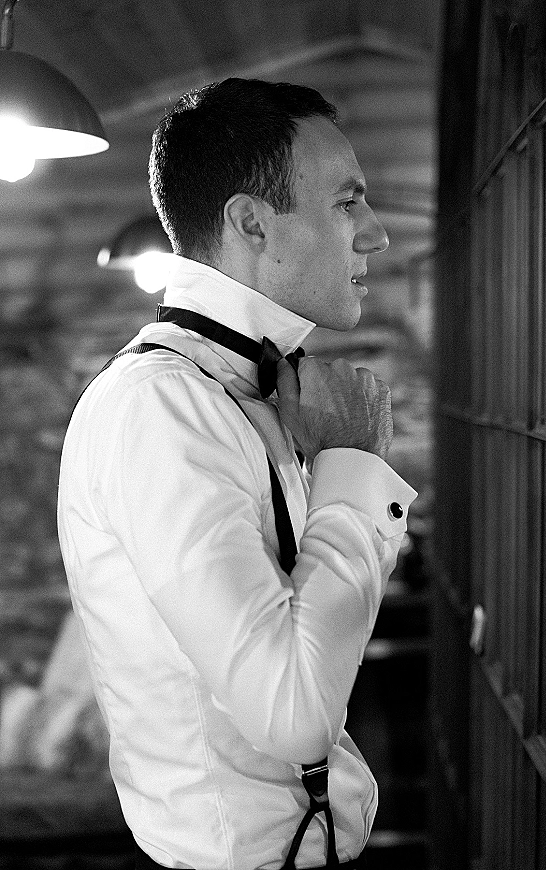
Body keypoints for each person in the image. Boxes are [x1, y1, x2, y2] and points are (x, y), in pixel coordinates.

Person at [57, 77, 417, 870]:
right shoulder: (159, 411)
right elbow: (293, 711)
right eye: (347, 203)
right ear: (252, 222)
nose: (378, 235)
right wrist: (352, 473)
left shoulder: (251, 389)